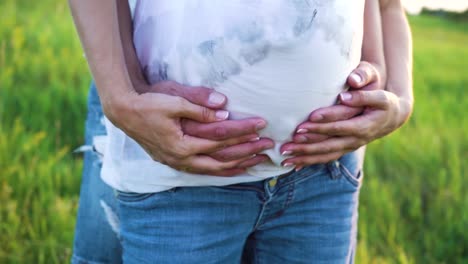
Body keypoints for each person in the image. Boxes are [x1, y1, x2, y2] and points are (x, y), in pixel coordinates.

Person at [69, 0, 413, 263]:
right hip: (178, 178)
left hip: (323, 176)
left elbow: (387, 5)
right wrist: (120, 96)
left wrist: (400, 95)